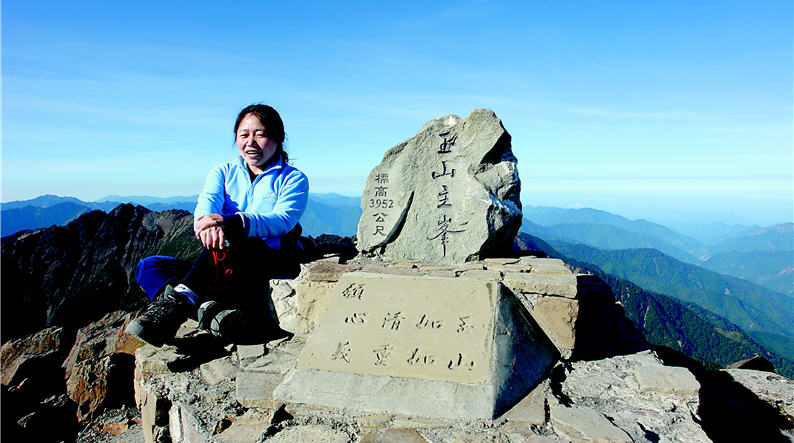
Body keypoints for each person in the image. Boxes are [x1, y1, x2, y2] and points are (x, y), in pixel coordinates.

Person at [126, 104, 309, 346]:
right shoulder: (223, 172)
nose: (251, 142)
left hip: (266, 259)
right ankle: (210, 311)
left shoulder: (293, 178)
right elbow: (206, 205)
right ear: (236, 138)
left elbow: (282, 220)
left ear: (278, 137)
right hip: (220, 258)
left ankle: (180, 303)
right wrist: (208, 225)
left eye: (260, 134)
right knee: (149, 267)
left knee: (232, 242)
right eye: (244, 135)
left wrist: (230, 222)